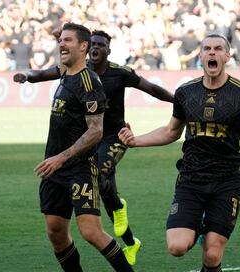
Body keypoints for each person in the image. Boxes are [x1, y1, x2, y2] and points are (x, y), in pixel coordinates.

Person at [118, 33, 240, 272]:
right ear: (201, 56)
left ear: (227, 56)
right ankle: (200, 225)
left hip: (226, 182)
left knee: (212, 254)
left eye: (218, 49)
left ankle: (208, 231)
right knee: (177, 247)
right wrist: (135, 141)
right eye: (207, 49)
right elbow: (171, 131)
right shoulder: (186, 92)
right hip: (191, 179)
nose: (212, 53)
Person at [14, 30, 174, 266]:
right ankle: (127, 234)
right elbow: (45, 72)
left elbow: (151, 89)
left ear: (104, 50)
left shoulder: (115, 75)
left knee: (98, 183)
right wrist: (27, 75)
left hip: (112, 136)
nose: (97, 48)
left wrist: (178, 103)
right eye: (95, 43)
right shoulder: (69, 70)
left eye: (101, 45)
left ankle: (118, 208)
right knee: (56, 231)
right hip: (67, 155)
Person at [32, 22, 133, 272]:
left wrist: (61, 158)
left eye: (68, 41)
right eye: (60, 40)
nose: (61, 44)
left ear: (83, 47)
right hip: (54, 169)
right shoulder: (67, 71)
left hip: (79, 169)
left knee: (91, 232)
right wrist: (64, 37)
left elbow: (96, 131)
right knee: (56, 232)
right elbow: (67, 48)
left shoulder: (90, 83)